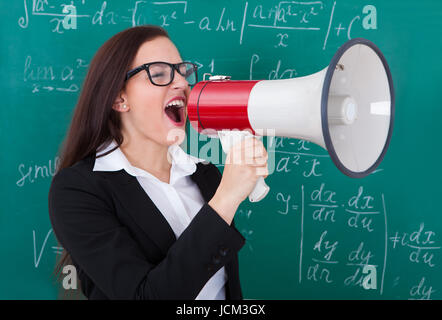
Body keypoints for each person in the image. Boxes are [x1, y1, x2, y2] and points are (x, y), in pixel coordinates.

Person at [48, 25, 269, 300]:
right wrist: (226, 198)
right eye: (160, 73)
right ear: (119, 97)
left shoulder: (204, 174)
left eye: (182, 72)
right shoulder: (78, 190)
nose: (181, 83)